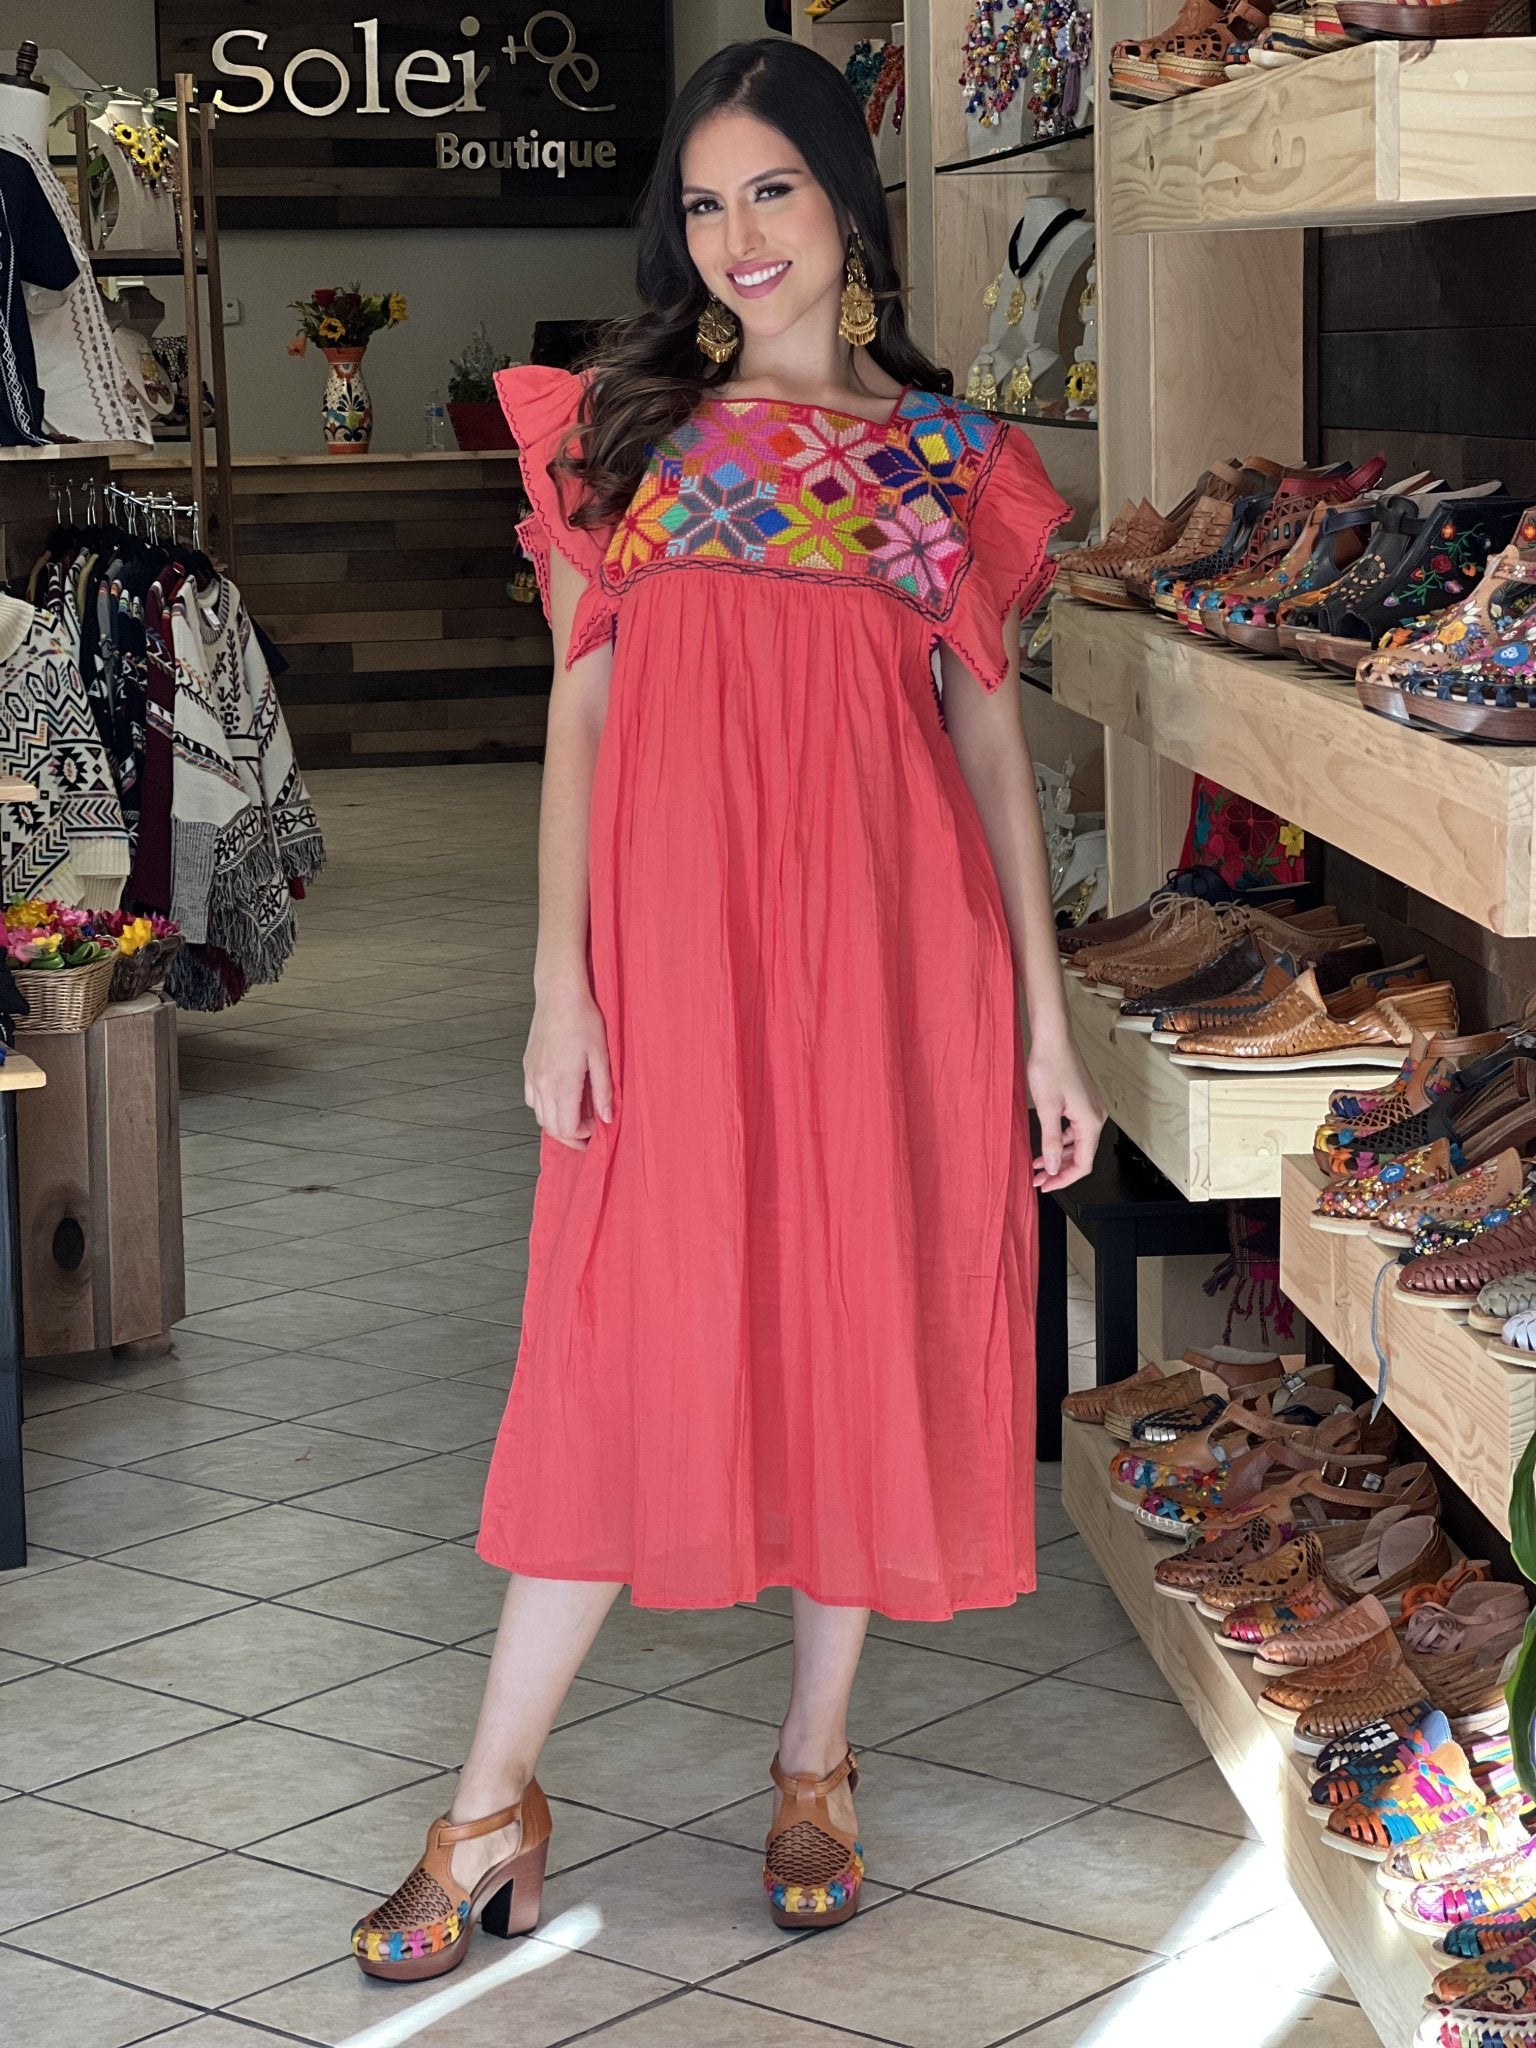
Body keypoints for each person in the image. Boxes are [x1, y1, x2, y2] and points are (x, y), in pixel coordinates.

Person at [350, 36, 1105, 1983]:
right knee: (608, 1349)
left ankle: (817, 1757)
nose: (737, 232)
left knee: (849, 1335)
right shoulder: (629, 431)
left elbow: (992, 751)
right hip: (669, 975)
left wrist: (1039, 1023)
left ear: (847, 199)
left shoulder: (942, 463)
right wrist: (555, 974)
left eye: (770, 187)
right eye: (704, 198)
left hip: (890, 967)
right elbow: (585, 700)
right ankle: (491, 1797)